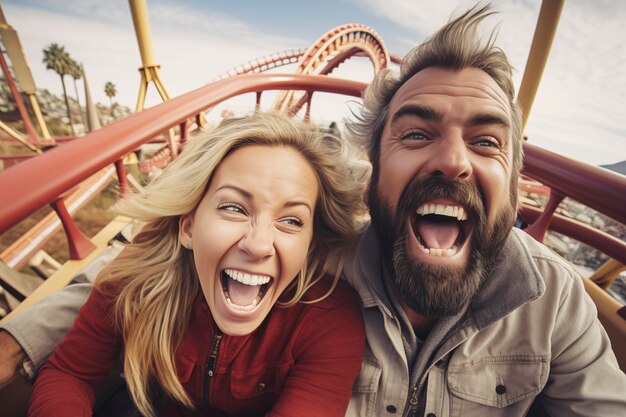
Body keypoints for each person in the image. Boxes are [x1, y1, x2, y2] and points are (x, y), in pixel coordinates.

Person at [1, 4, 626, 417]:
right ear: (374, 173)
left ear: (516, 183)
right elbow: (135, 268)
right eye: (415, 134)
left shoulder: (555, 301)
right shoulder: (321, 258)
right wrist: (21, 338)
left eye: (487, 141)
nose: (454, 162)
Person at [25, 112, 369, 417]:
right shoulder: (139, 274)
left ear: (310, 244)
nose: (259, 245)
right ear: (188, 226)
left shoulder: (330, 319)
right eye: (234, 208)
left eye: (292, 221)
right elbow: (71, 373)